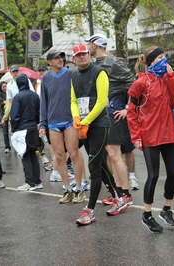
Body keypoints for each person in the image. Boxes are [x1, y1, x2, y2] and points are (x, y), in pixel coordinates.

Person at [127, 46, 174, 233]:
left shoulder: (168, 79)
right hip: (149, 135)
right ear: (151, 61)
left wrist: (171, 78)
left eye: (165, 56)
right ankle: (147, 214)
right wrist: (136, 136)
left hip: (168, 133)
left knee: (173, 174)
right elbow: (131, 112)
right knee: (153, 175)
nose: (164, 60)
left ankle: (166, 209)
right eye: (160, 57)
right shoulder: (141, 83)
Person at [71, 44, 128, 226]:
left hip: (99, 124)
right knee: (100, 163)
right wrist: (76, 117)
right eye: (78, 55)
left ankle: (89, 210)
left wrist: (86, 122)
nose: (82, 57)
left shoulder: (99, 72)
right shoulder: (74, 76)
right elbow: (73, 100)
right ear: (73, 59)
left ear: (89, 54)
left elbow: (103, 101)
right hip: (84, 125)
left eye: (84, 54)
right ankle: (119, 197)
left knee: (93, 167)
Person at [85, 33, 137, 204]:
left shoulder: (114, 62)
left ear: (95, 45)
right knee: (108, 154)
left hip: (114, 109)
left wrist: (128, 108)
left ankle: (125, 194)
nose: (88, 48)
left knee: (115, 154)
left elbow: (134, 84)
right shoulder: (95, 64)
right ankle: (117, 192)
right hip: (102, 111)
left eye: (89, 45)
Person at [39, 50, 85, 204]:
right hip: (53, 122)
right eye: (56, 58)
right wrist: (42, 123)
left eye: (61, 57)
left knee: (73, 153)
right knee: (59, 156)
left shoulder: (72, 74)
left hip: (70, 119)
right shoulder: (45, 79)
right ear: (49, 62)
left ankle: (79, 188)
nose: (60, 60)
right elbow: (43, 102)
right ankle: (67, 189)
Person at [10, 74, 42, 191]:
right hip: (34, 128)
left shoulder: (18, 97)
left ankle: (29, 182)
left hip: (22, 129)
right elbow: (39, 112)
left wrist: (14, 128)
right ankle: (37, 181)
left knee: (25, 155)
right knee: (33, 154)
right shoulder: (35, 96)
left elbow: (14, 116)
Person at [0, 81, 11, 153]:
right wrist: (3, 103)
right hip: (3, 114)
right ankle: (7, 146)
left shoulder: (10, 93)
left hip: (11, 113)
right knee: (5, 131)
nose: (5, 88)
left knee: (14, 131)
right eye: (3, 87)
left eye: (6, 86)